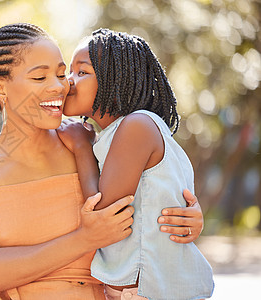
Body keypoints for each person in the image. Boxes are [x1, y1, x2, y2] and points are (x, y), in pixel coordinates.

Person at [0, 23, 204, 300]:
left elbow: (151, 197)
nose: (60, 86)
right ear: (1, 89)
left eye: (60, 73)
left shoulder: (91, 148)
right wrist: (85, 238)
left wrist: (187, 218)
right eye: (40, 78)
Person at [58, 29, 214, 300]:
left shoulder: (137, 126)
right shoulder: (123, 132)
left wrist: (82, 148)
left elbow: (105, 217)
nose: (69, 82)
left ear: (115, 83)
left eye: (82, 72)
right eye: (69, 72)